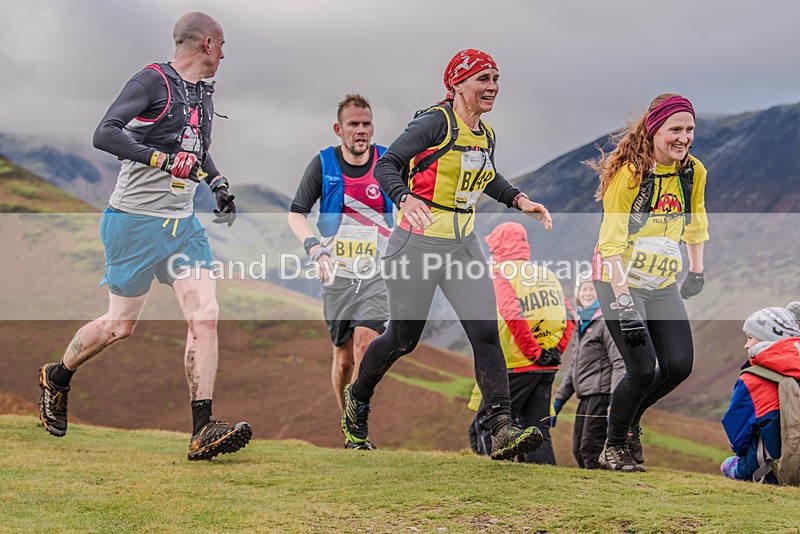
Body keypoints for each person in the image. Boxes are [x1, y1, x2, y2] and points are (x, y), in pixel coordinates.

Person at [37, 12, 250, 461]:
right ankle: (58, 376)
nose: (226, 54)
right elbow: (104, 133)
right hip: (132, 223)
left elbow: (195, 145)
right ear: (208, 43)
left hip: (181, 226)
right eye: (223, 45)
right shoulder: (153, 81)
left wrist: (217, 184)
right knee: (120, 326)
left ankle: (202, 429)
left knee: (205, 314)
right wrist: (161, 161)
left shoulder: (201, 93)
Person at [341, 49, 553, 461]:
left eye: (495, 79)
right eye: (482, 79)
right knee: (403, 339)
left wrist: (519, 200)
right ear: (457, 85)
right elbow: (387, 165)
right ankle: (358, 397)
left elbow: (486, 176)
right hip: (415, 245)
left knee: (486, 333)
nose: (492, 87)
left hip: (462, 245)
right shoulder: (434, 122)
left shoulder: (485, 134)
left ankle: (501, 430)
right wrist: (404, 198)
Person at [589, 93, 709, 471]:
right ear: (655, 130)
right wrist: (624, 305)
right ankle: (612, 446)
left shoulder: (693, 172)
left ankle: (630, 422)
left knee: (678, 365)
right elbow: (609, 244)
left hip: (660, 282)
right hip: (617, 279)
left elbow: (696, 222)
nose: (684, 137)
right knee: (641, 368)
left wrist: (696, 271)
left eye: (689, 130)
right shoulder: (629, 176)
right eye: (675, 129)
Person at [287, 94, 392, 450]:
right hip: (336, 274)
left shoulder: (388, 161)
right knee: (343, 356)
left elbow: (409, 204)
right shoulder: (323, 164)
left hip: (377, 271)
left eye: (366, 124)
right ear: (339, 129)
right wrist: (314, 250)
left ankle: (358, 424)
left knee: (366, 341)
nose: (361, 131)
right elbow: (296, 213)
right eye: (353, 124)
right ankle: (345, 419)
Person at [470, 222, 575, 463]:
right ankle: (544, 487)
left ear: (499, 245)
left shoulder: (500, 273)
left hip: (517, 364)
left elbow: (511, 313)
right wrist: (554, 351)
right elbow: (570, 315)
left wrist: (533, 352)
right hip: (547, 366)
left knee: (487, 426)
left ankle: (491, 484)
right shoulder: (546, 275)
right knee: (538, 430)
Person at [721, 302, 800, 484]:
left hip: (773, 469)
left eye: (750, 338)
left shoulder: (752, 380)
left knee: (728, 464)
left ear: (767, 340)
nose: (746, 346)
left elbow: (737, 435)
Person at [552, 279, 625, 469]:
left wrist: (615, 400)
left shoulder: (605, 322)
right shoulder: (582, 324)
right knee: (578, 449)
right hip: (585, 397)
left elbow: (619, 363)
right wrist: (558, 401)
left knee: (590, 449)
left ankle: (601, 492)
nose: (587, 293)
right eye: (583, 289)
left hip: (600, 396)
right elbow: (575, 368)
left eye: (592, 289)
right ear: (577, 294)